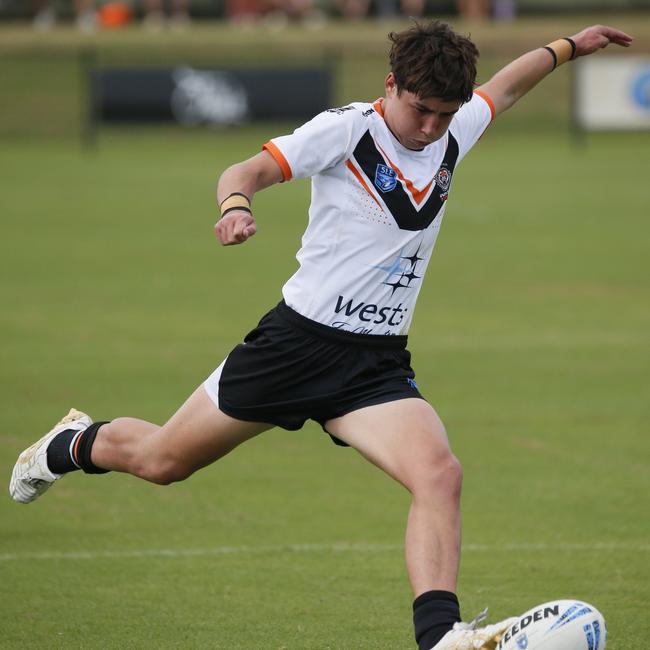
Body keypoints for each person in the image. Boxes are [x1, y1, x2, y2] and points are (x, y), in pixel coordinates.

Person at [10, 20, 632, 650]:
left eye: (445, 115)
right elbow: (243, 169)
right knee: (163, 461)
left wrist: (566, 48)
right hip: (295, 345)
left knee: (440, 474)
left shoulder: (454, 126)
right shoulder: (345, 130)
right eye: (420, 110)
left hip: (374, 365)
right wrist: (236, 208)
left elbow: (504, 88)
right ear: (391, 85)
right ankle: (71, 443)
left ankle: (441, 637)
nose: (431, 128)